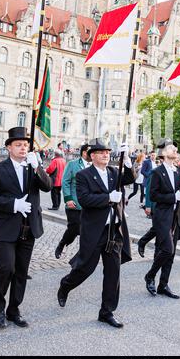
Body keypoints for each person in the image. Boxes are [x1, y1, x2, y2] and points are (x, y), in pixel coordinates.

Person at [57, 139, 135, 328]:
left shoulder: (113, 173)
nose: (105, 155)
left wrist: (128, 164)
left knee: (113, 273)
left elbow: (130, 179)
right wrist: (108, 197)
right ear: (92, 156)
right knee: (85, 268)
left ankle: (106, 312)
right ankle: (66, 285)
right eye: (101, 152)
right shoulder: (84, 175)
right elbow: (84, 199)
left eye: (108, 152)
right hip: (94, 230)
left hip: (113, 231)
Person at [0, 127, 52, 329]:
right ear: (9, 147)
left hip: (28, 228)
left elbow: (47, 186)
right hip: (6, 228)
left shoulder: (33, 167)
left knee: (21, 272)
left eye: (26, 145)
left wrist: (38, 168)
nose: (23, 148)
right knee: (6, 268)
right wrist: (14, 204)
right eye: (18, 145)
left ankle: (14, 310)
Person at [144, 144, 180, 299]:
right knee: (167, 249)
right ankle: (150, 276)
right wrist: (173, 197)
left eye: (176, 148)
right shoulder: (157, 172)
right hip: (162, 216)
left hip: (176, 216)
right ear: (164, 153)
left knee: (171, 254)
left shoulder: (178, 171)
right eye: (172, 148)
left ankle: (163, 284)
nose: (176, 150)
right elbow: (153, 195)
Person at [54, 144, 90, 259]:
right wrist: (68, 199)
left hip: (89, 205)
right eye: (90, 151)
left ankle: (82, 255)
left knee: (86, 231)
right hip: (74, 203)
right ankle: (62, 244)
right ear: (84, 153)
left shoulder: (95, 166)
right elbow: (65, 181)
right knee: (74, 228)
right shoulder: (73, 165)